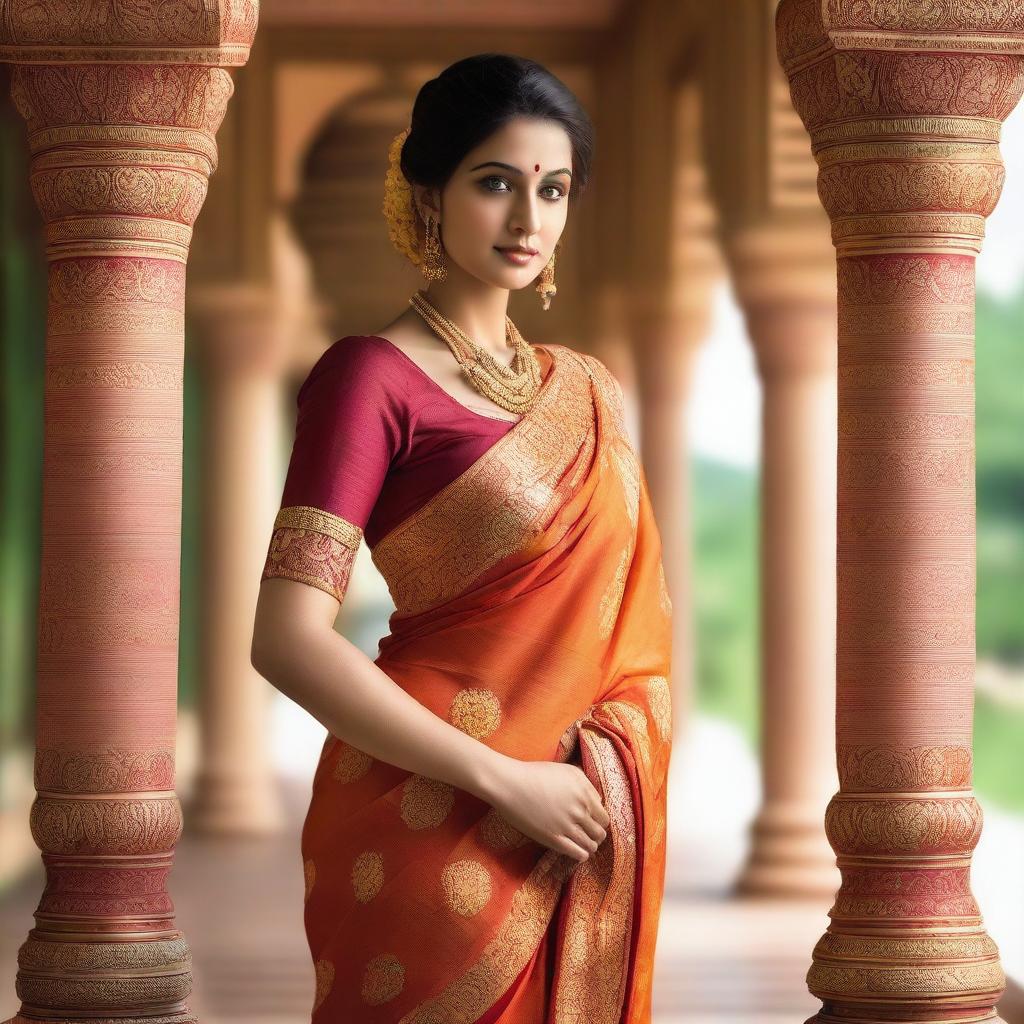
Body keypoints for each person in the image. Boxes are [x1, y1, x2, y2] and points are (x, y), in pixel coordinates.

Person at [251, 52, 673, 1024]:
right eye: (496, 183)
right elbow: (285, 638)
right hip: (423, 818)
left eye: (553, 189)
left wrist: (576, 781)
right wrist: (504, 780)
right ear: (429, 194)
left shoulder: (589, 389)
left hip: (573, 819)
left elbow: (632, 644)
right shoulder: (369, 379)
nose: (529, 220)